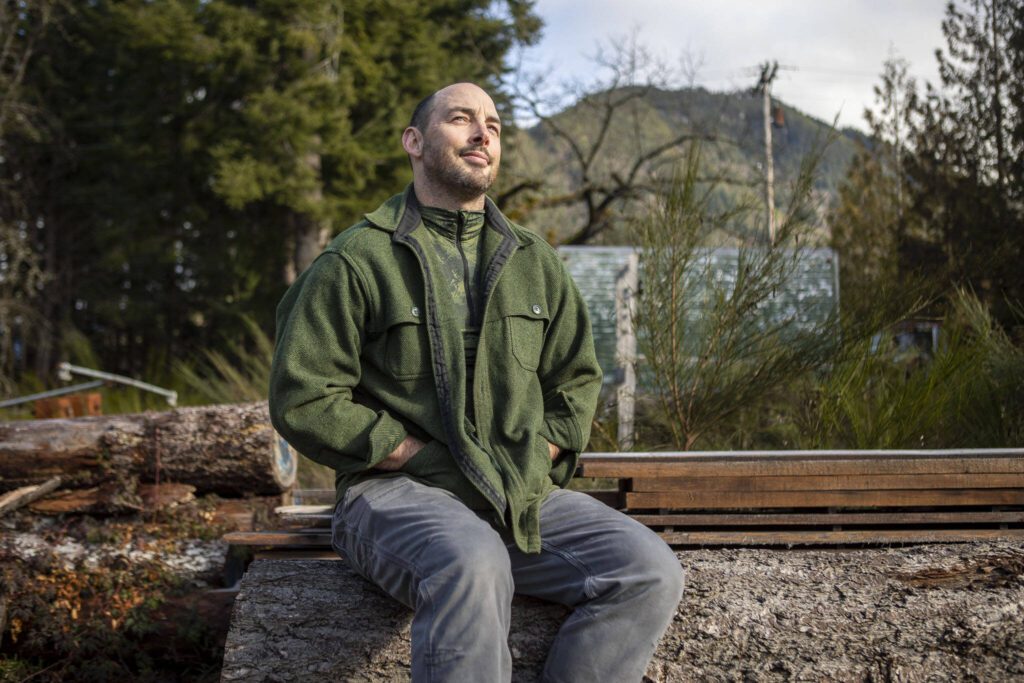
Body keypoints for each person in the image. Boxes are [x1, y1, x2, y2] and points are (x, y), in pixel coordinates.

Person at [269, 82, 684, 682]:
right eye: (460, 118)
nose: (482, 132)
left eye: (492, 123)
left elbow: (576, 379)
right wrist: (406, 453)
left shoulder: (533, 261)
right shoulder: (356, 260)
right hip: (393, 495)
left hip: (516, 492)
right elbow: (303, 396)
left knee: (647, 569)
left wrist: (537, 453)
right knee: (472, 559)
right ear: (414, 142)